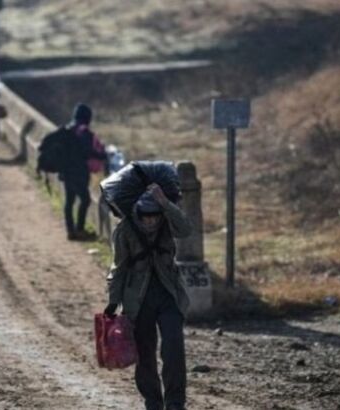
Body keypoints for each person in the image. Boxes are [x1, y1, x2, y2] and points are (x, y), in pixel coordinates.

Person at [105, 184, 193, 410]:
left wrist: (165, 203)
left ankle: (175, 402)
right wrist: (113, 301)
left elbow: (185, 229)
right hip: (138, 300)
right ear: (138, 213)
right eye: (146, 216)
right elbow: (119, 267)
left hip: (169, 295)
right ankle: (153, 402)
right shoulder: (125, 230)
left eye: (155, 216)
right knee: (145, 354)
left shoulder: (167, 222)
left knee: (173, 349)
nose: (151, 221)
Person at [59, 103, 105, 241]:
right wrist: (102, 156)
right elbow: (87, 152)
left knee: (69, 201)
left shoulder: (66, 129)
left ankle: (70, 231)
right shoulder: (84, 132)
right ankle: (79, 230)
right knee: (85, 200)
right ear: (87, 118)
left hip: (66, 171)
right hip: (79, 172)